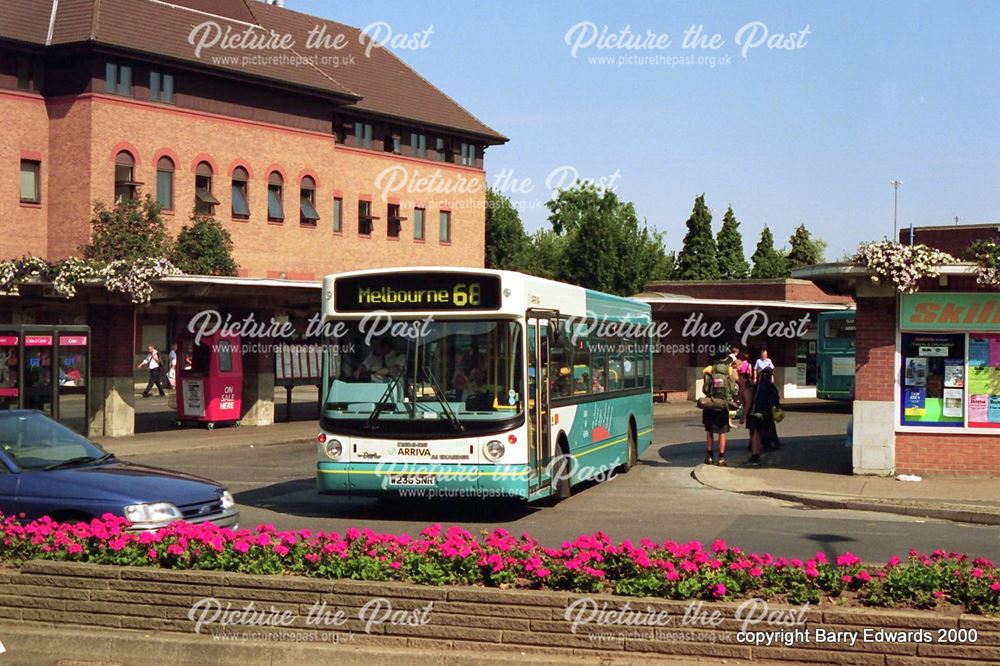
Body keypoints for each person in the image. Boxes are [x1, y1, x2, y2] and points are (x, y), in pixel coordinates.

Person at [701, 352, 736, 466]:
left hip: (711, 404)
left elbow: (705, 389)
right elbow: (732, 389)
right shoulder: (729, 370)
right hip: (723, 404)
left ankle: (709, 456)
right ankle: (721, 458)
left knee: (709, 431)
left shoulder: (709, 369)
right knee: (722, 432)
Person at [747, 368, 781, 465]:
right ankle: (771, 442)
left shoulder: (757, 386)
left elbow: (752, 398)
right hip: (767, 411)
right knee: (768, 427)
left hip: (757, 410)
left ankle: (755, 452)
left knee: (755, 432)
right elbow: (775, 398)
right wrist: (777, 407)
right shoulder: (771, 386)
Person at [736, 350, 753, 425]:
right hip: (746, 379)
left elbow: (738, 371)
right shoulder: (749, 365)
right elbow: (750, 373)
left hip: (741, 378)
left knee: (740, 392)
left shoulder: (740, 364)